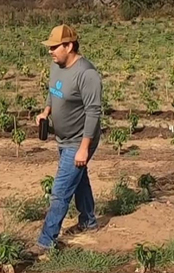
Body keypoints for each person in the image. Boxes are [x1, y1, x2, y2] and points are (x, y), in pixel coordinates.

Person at [34, 24, 103, 252]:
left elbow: (93, 112)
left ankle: (46, 241)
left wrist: (84, 148)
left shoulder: (87, 74)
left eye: (55, 47)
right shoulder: (57, 65)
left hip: (79, 140)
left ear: (69, 46)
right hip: (63, 139)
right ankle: (89, 221)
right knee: (79, 179)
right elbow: (53, 91)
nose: (50, 51)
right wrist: (46, 111)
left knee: (60, 191)